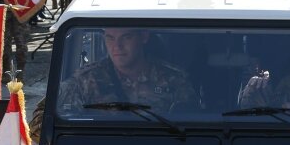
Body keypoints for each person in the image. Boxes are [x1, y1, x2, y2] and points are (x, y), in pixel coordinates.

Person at [57, 28, 199, 115]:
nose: (117, 46)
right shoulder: (86, 80)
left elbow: (191, 126)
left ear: (143, 37)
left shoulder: (173, 79)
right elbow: (46, 120)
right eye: (110, 38)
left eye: (126, 37)